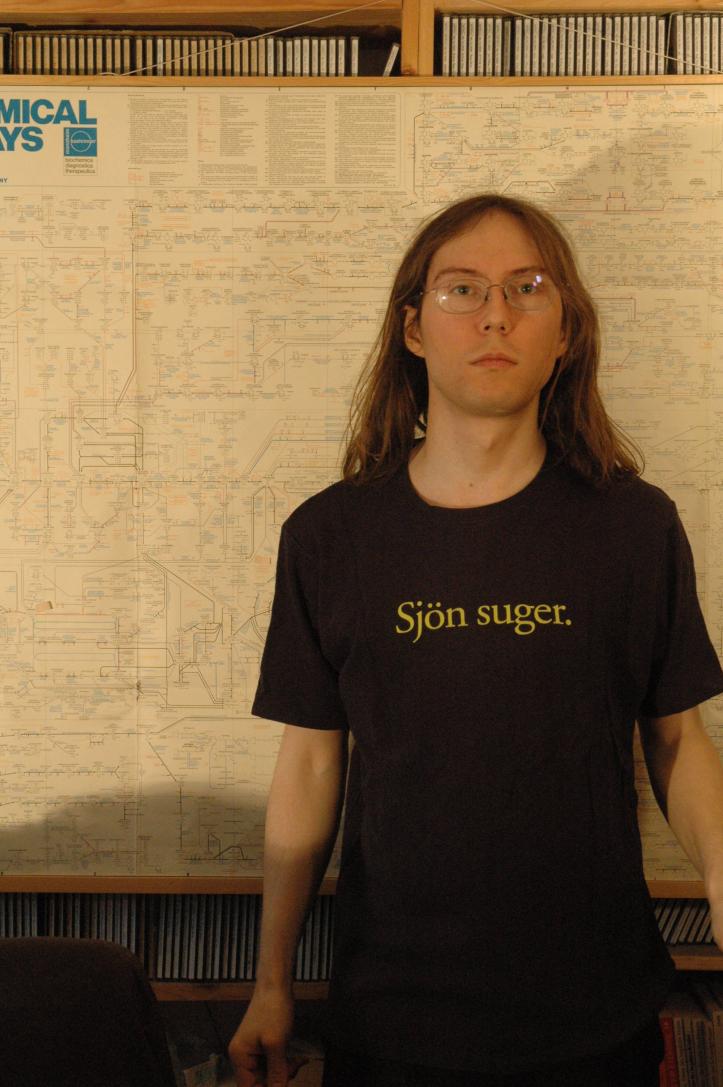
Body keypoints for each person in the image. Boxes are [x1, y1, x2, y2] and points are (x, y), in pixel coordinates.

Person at [228, 194, 723, 1087]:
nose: (495, 315)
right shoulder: (329, 535)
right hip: (393, 1020)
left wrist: (722, 869)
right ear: (413, 328)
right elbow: (309, 763)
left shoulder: (633, 526)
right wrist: (271, 982)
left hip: (595, 1013)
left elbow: (677, 738)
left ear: (564, 331)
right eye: (462, 288)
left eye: (527, 287)